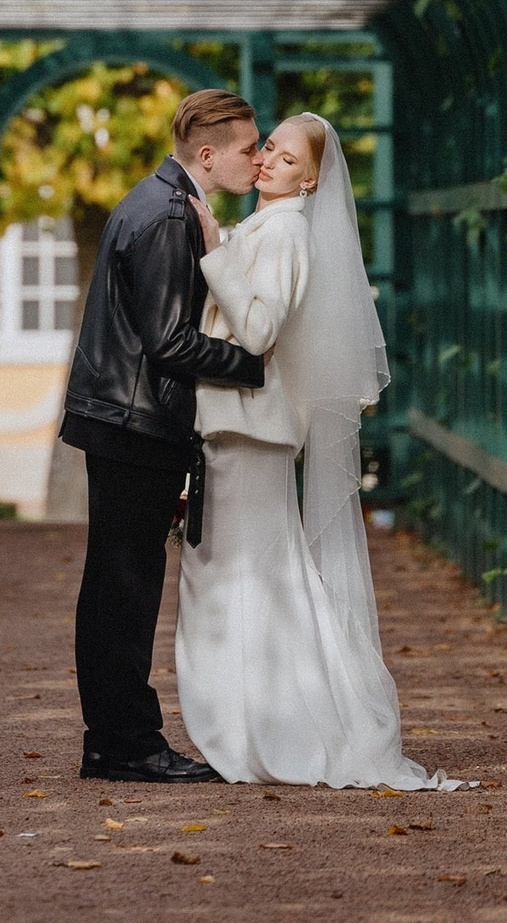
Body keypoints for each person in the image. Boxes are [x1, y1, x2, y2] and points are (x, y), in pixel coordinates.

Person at [173, 113, 462, 790]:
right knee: (258, 580)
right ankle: (266, 723)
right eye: (268, 147)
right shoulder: (268, 226)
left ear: (310, 179)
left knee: (246, 584)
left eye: (286, 157)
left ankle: (266, 732)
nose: (268, 160)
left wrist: (214, 252)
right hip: (242, 429)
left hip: (248, 430)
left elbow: (258, 331)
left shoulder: (285, 231)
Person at [59, 88, 268, 783]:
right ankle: (125, 744)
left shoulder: (160, 202)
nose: (259, 159)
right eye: (249, 148)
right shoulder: (170, 214)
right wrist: (257, 366)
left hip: (124, 417)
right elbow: (170, 341)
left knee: (116, 584)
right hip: (134, 422)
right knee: (124, 587)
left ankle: (115, 740)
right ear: (207, 154)